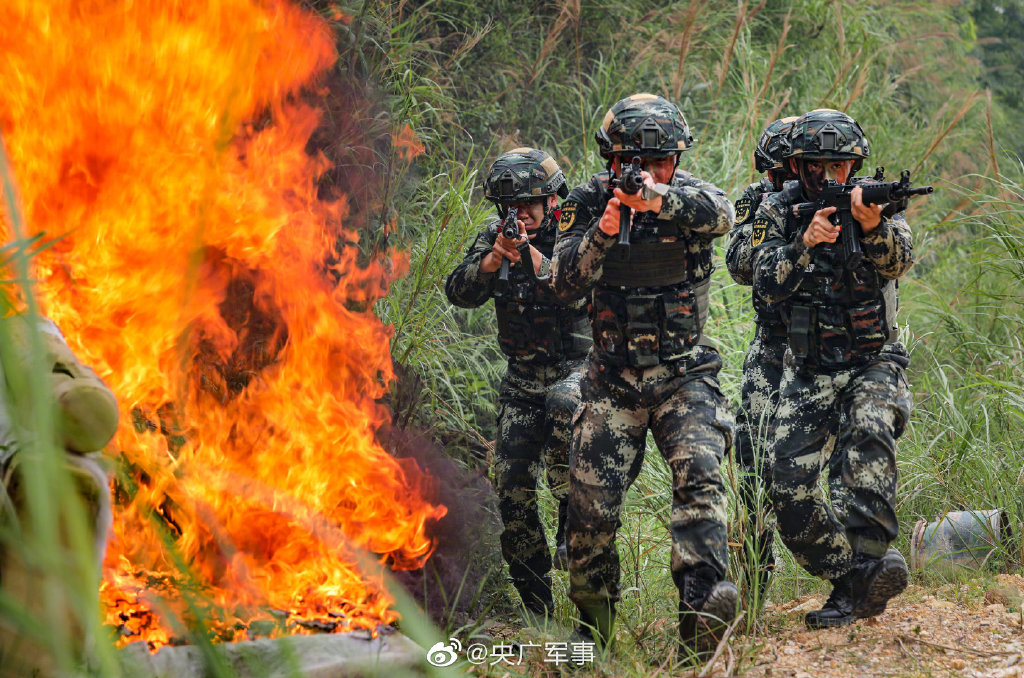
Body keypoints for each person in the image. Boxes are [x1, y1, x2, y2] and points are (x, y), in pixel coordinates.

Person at [551, 93, 737, 657]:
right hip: (611, 380)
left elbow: (723, 216)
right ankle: (595, 633)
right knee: (588, 514)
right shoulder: (584, 202)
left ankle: (701, 605)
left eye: (662, 162)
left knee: (702, 473)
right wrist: (603, 232)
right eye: (637, 163)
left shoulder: (691, 195)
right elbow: (561, 281)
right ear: (610, 160)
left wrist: (661, 201)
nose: (650, 172)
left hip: (684, 375)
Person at [751, 108, 914, 629]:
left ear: (855, 165)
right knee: (786, 484)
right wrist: (804, 244)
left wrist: (873, 227)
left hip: (873, 359)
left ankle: (870, 567)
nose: (830, 176)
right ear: (798, 166)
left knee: (868, 441)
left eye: (840, 165)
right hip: (811, 366)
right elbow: (756, 276)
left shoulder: (874, 202)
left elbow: (900, 261)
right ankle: (851, 579)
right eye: (818, 166)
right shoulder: (778, 209)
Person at [444, 148, 591, 620]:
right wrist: (490, 262)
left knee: (562, 411)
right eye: (510, 206)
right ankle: (537, 611)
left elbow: (574, 283)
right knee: (511, 488)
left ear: (551, 199)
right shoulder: (496, 235)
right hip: (522, 377)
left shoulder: (574, 229)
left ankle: (575, 528)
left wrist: (528, 253)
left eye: (529, 203)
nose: (520, 213)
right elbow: (457, 292)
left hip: (579, 370)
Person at [725, 116, 799, 605]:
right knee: (752, 458)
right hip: (773, 344)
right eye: (782, 174)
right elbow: (738, 264)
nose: (790, 182)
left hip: (837, 348)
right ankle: (751, 588)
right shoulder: (759, 200)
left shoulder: (846, 196)